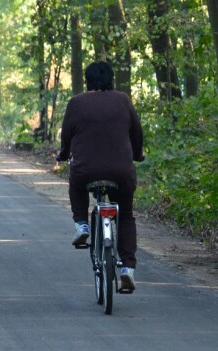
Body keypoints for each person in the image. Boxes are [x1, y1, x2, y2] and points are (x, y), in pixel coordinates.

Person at [56, 61, 144, 291]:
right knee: (124, 216)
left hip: (86, 171)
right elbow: (136, 131)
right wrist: (137, 154)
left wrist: (63, 155)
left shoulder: (76, 103)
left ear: (87, 80)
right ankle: (126, 268)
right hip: (121, 171)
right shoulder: (123, 100)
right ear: (111, 79)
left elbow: (67, 136)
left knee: (76, 185)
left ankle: (82, 225)